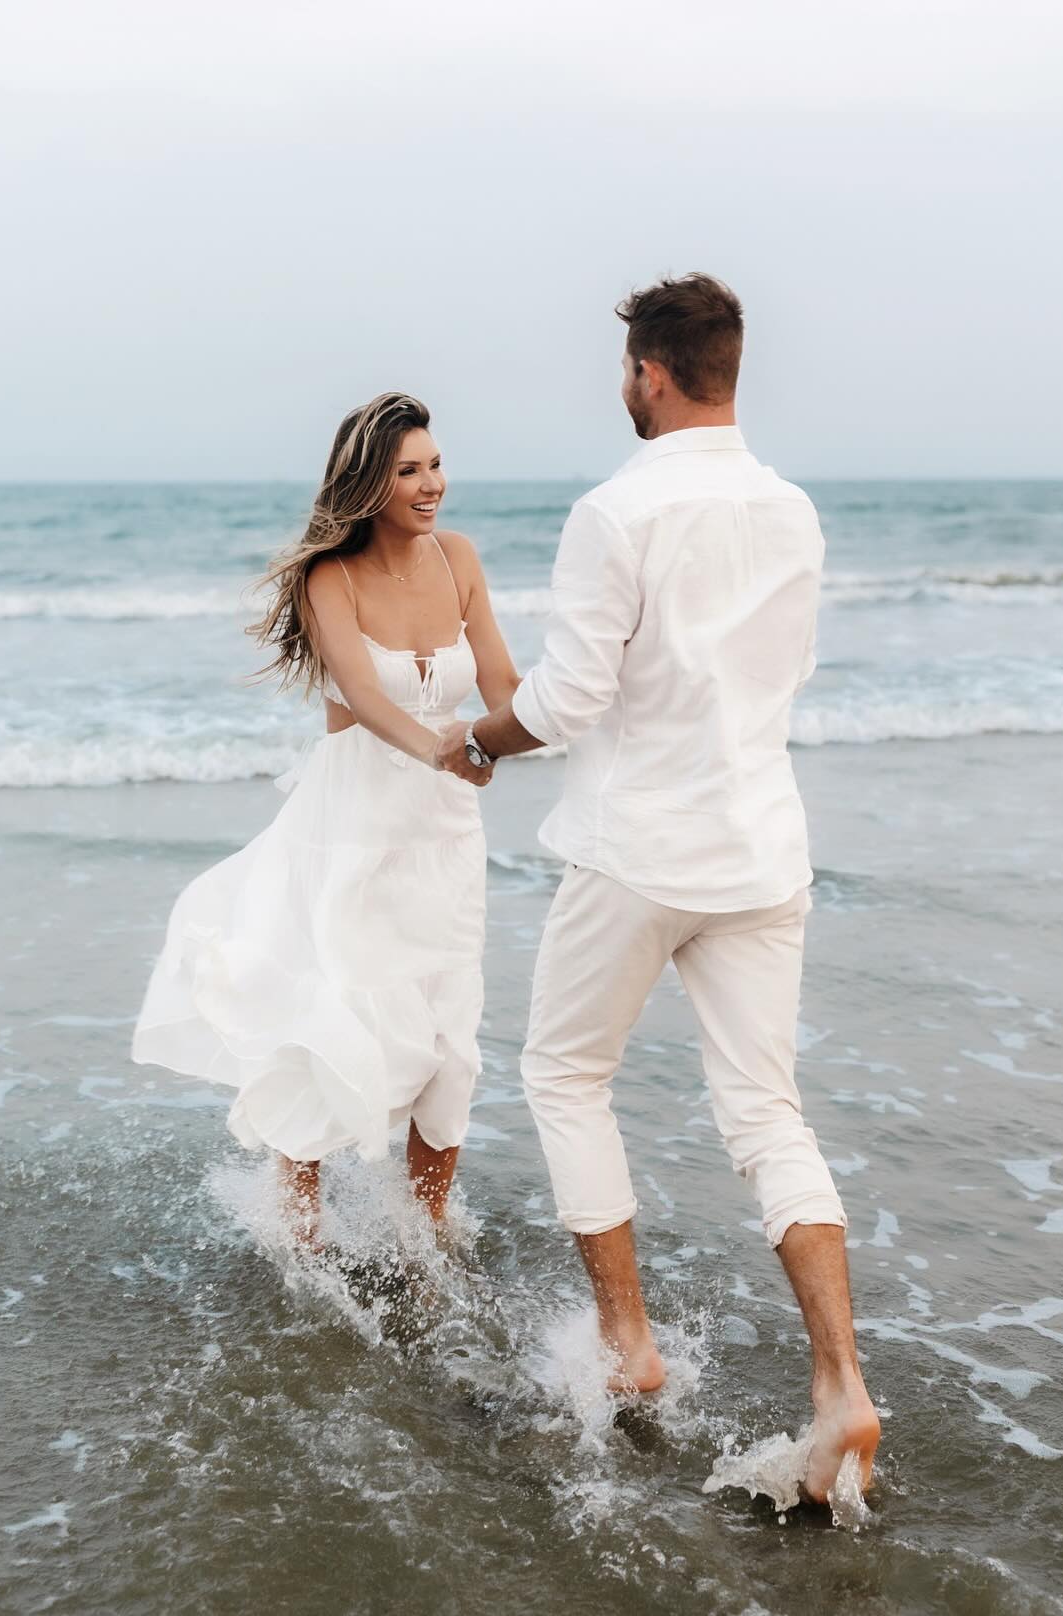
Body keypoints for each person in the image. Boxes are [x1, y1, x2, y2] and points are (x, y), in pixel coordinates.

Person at [436, 275, 881, 1505]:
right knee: (767, 1115)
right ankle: (840, 1383)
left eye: (627, 367)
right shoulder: (793, 512)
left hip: (639, 850)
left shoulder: (614, 510)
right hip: (760, 848)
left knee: (566, 1073)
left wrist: (482, 736)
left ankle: (630, 1347)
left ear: (653, 373)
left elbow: (570, 700)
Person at [133, 393, 511, 1244]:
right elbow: (368, 697)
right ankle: (299, 1231)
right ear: (369, 483)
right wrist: (447, 751)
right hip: (350, 828)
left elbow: (504, 689)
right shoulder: (326, 578)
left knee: (450, 1032)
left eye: (436, 465)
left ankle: (430, 1230)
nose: (431, 485)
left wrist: (542, 731)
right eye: (408, 471)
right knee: (333, 1010)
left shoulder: (461, 559)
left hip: (445, 838)